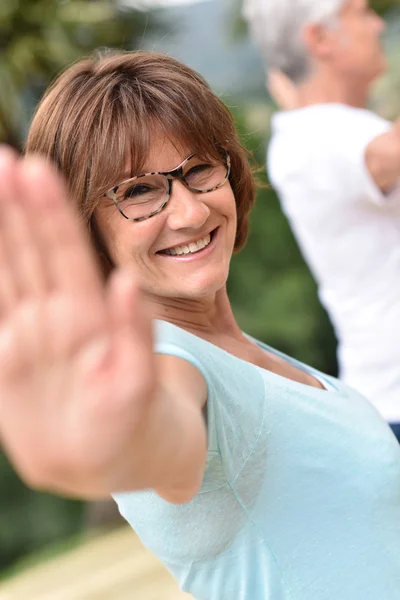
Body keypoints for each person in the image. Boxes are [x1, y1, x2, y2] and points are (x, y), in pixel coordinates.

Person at [1, 50, 400, 600]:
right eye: (137, 191)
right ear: (84, 226)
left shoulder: (239, 349)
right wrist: (109, 446)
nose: (188, 212)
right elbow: (166, 437)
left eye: (198, 170)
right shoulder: (172, 360)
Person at [243, 0, 400, 438]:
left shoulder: (335, 128)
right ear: (320, 38)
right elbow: (388, 154)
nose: (376, 23)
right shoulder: (312, 136)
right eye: (361, 12)